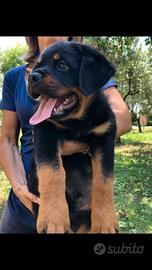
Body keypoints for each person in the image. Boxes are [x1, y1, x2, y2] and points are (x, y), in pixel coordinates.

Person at [0, 36, 132, 233]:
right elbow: (7, 138)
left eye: (61, 66)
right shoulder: (14, 77)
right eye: (38, 68)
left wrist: (103, 202)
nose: (38, 75)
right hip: (30, 198)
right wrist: (20, 188)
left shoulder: (87, 63)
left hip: (86, 202)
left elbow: (121, 119)